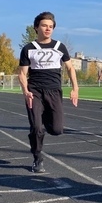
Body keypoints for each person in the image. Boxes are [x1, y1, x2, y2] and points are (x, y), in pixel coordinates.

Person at [18, 11, 79, 173]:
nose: (48, 29)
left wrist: (75, 88)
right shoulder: (28, 49)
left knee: (57, 129)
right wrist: (25, 91)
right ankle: (37, 157)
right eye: (44, 26)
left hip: (53, 92)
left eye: (51, 27)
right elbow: (22, 74)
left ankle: (41, 120)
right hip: (35, 91)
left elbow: (71, 68)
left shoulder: (60, 47)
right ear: (36, 27)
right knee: (37, 128)